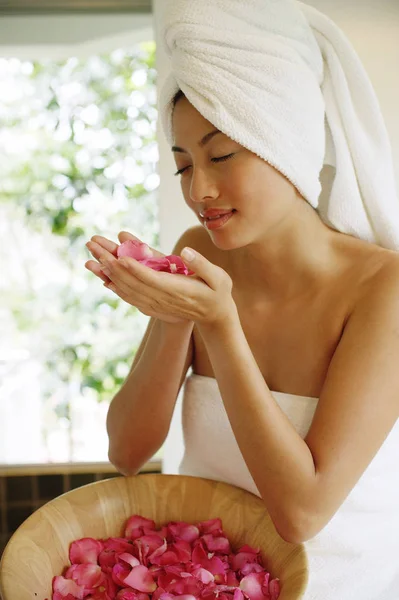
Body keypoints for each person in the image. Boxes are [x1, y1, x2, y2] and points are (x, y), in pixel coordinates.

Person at [85, 1, 399, 598]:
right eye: (182, 166)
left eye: (222, 155)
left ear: (287, 142)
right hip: (204, 578)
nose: (200, 191)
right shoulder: (198, 249)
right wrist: (174, 316)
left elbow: (302, 514)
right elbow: (127, 451)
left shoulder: (384, 288)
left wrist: (221, 325)